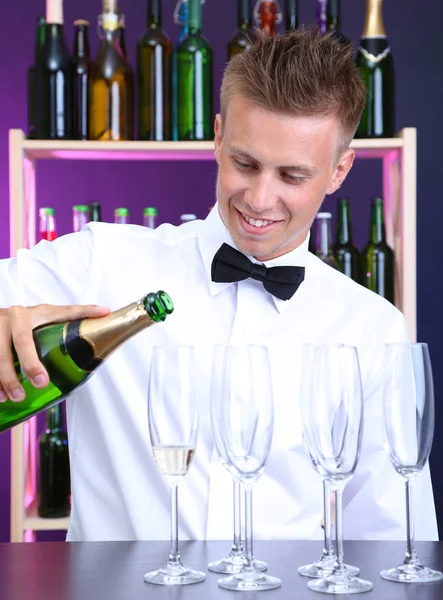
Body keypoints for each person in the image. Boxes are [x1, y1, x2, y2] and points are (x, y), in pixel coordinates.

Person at [0, 27, 438, 542]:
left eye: (293, 176)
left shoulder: (372, 328)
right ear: (217, 136)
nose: (259, 198)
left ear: (339, 170)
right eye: (244, 163)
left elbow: (391, 535)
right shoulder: (101, 261)